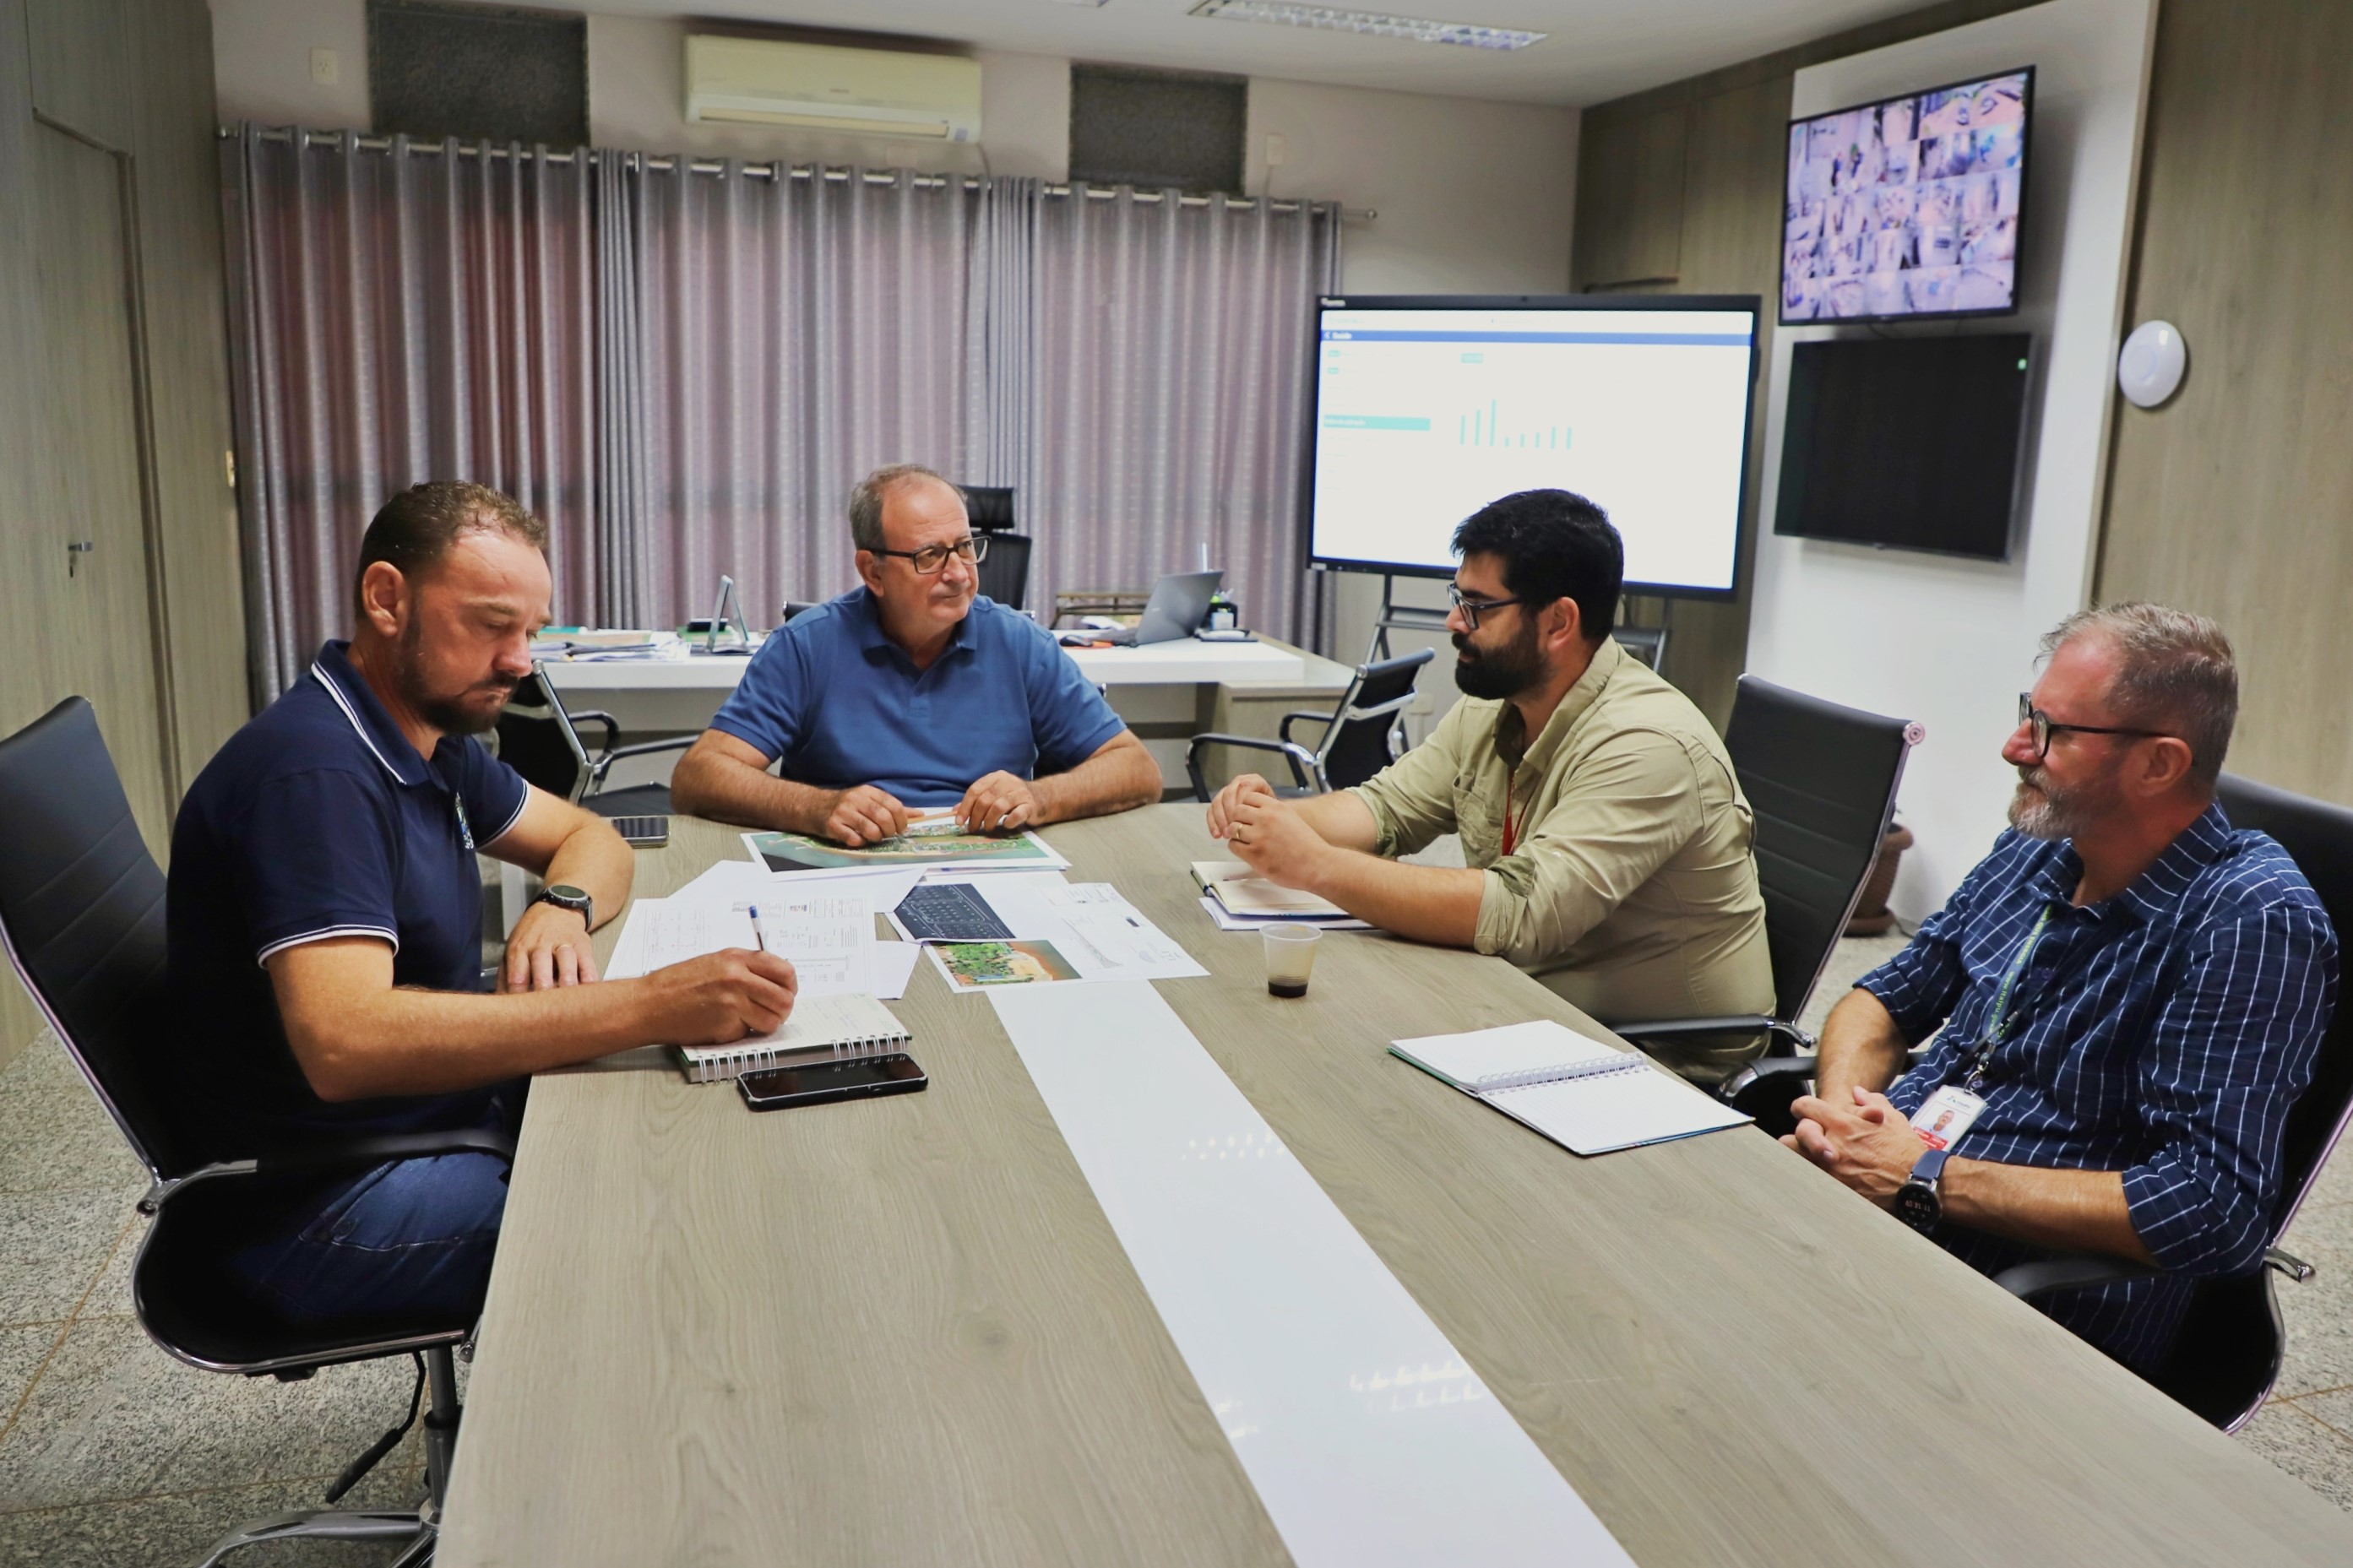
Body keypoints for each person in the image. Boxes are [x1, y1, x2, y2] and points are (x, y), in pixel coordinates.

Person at [167, 482, 799, 1322]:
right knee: (683, 1213)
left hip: (428, 1124)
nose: (520, 662)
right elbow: (346, 1042)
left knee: (691, 1126)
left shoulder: (427, 734)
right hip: (319, 1203)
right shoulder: (315, 775)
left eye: (530, 631)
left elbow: (592, 837)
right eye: (494, 625)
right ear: (387, 599)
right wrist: (652, 1003)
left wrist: (561, 904)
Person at [1784, 604, 2337, 1370]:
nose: (2016, 746)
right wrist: (1846, 1127)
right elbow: (1883, 998)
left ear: (2159, 764)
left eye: (2052, 731)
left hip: (2019, 1306)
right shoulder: (2040, 846)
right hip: (1885, 1213)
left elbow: (2211, 1207)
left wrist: (1922, 1174)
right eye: (2028, 714)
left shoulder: (2251, 920)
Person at [1206, 489, 1774, 1079]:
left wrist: (1315, 864)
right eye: (1459, 599)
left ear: (1558, 622)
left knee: (1346, 1073)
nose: (1455, 622)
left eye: (1478, 607)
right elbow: (1387, 808)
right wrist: (1274, 818)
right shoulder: (1498, 704)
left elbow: (1520, 913)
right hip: (1530, 1001)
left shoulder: (1649, 742)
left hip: (1664, 1062)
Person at [670, 464, 1162, 842]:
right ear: (873, 572)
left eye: (965, 547)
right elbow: (699, 777)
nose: (959, 573)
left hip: (990, 866)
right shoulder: (807, 646)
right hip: (846, 866)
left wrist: (1038, 797)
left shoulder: (1019, 643)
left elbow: (1136, 770)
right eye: (930, 556)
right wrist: (817, 808)